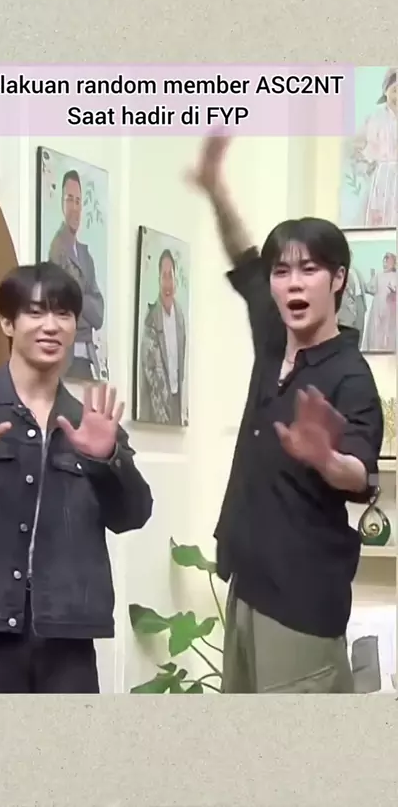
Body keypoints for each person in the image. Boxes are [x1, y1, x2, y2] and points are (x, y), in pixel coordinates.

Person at [186, 136, 383, 694]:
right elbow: (243, 256)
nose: (293, 282)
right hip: (247, 582)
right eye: (283, 272)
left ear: (338, 279)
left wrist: (326, 458)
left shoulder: (350, 376)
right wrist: (214, 187)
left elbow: (360, 473)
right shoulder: (274, 338)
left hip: (301, 600)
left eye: (309, 270)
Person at [0, 261, 153, 694]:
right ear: (7, 323)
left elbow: (133, 515)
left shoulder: (89, 421)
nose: (51, 325)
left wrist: (107, 459)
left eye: (63, 313)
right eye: (35, 311)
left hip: (67, 632)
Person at [48, 169, 105, 380]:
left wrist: (82, 302)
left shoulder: (85, 255)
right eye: (70, 200)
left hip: (87, 360)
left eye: (78, 201)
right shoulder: (57, 249)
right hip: (66, 361)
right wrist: (84, 300)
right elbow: (66, 304)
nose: (74, 208)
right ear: (62, 205)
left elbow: (98, 315)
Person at [139, 249, 187, 426]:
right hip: (157, 409)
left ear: (176, 280)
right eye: (164, 276)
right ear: (159, 280)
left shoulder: (180, 316)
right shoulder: (151, 318)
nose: (168, 283)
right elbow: (153, 375)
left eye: (170, 276)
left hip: (176, 402)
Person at [349, 67, 397, 228]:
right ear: (385, 92)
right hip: (383, 177)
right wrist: (367, 165)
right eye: (395, 90)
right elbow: (357, 147)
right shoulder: (375, 119)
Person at [361, 251, 396, 353]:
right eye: (385, 261)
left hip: (390, 307)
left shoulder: (396, 275)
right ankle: (376, 350)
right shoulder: (379, 275)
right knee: (376, 329)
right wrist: (372, 277)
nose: (386, 263)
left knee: (389, 329)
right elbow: (369, 289)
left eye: (388, 261)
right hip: (378, 306)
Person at [337, 251, 367, 347]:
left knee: (360, 327)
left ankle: (358, 349)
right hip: (347, 305)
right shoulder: (340, 272)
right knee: (348, 329)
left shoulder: (356, 271)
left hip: (360, 301)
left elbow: (365, 287)